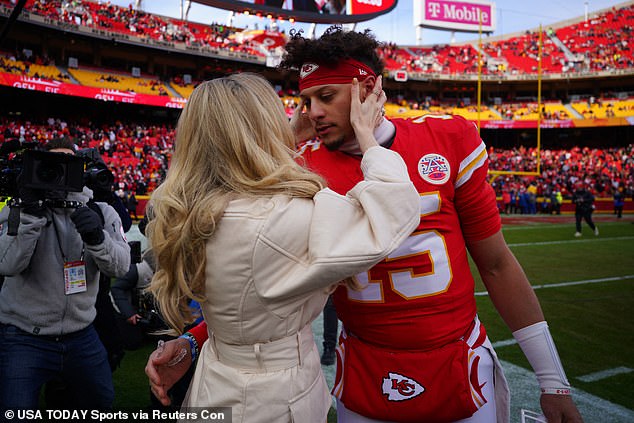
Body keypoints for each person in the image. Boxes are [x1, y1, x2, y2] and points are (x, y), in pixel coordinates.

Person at [146, 29, 584, 423]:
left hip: (456, 356)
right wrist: (201, 338)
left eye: (327, 96)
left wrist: (553, 378)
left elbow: (496, 264)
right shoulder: (300, 169)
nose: (313, 113)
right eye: (305, 102)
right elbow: (261, 284)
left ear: (368, 88)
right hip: (364, 365)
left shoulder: (448, 138)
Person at [144, 72, 420, 422]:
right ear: (264, 128)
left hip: (219, 378)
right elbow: (395, 209)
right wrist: (367, 134)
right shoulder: (286, 217)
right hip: (270, 398)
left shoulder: (186, 210)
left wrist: (192, 341)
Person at [0, 137, 130, 411]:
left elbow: (121, 267)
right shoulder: (17, 209)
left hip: (81, 334)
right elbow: (7, 265)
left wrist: (97, 238)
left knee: (102, 407)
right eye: (50, 166)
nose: (57, 173)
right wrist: (29, 217)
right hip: (24, 335)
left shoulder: (101, 211)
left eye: (67, 165)